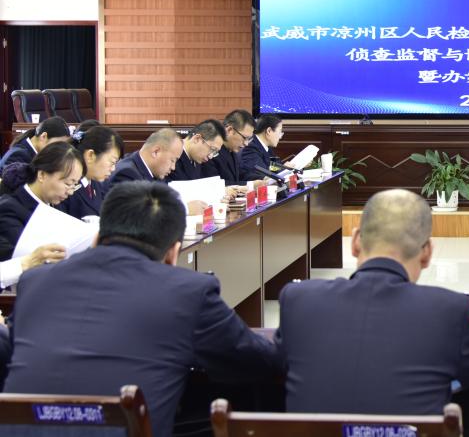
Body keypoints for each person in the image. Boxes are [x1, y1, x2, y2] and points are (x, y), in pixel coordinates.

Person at [2, 181, 283, 437]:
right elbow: (257, 360)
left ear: (97, 239)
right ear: (173, 254)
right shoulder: (189, 291)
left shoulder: (36, 281)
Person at [276, 189, 469, 414]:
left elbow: (275, 363)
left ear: (356, 242)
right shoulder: (448, 310)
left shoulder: (300, 301)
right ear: (427, 253)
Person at [0, 143, 86, 260]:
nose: (70, 192)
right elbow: (18, 259)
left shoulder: (55, 204)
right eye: (68, 184)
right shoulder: (9, 209)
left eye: (74, 185)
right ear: (42, 175)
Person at [60, 125, 124, 220]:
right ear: (90, 155)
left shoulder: (96, 183)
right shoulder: (67, 186)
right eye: (112, 162)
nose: (113, 169)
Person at [202, 109, 256, 188]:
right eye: (245, 138)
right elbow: (213, 184)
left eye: (249, 139)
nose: (246, 143)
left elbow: (240, 175)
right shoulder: (211, 151)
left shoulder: (232, 150)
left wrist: (262, 179)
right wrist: (250, 185)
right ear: (229, 130)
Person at [109, 128, 183, 184]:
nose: (173, 167)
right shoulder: (127, 175)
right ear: (156, 152)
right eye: (172, 160)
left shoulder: (156, 172)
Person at [0, 117, 71, 171]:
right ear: (43, 136)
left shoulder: (33, 153)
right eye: (58, 144)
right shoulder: (19, 155)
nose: (60, 150)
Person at [240, 114, 288, 181]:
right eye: (280, 131)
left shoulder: (266, 146)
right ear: (269, 131)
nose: (280, 137)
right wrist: (285, 170)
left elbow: (273, 168)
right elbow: (263, 174)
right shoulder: (250, 148)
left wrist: (284, 168)